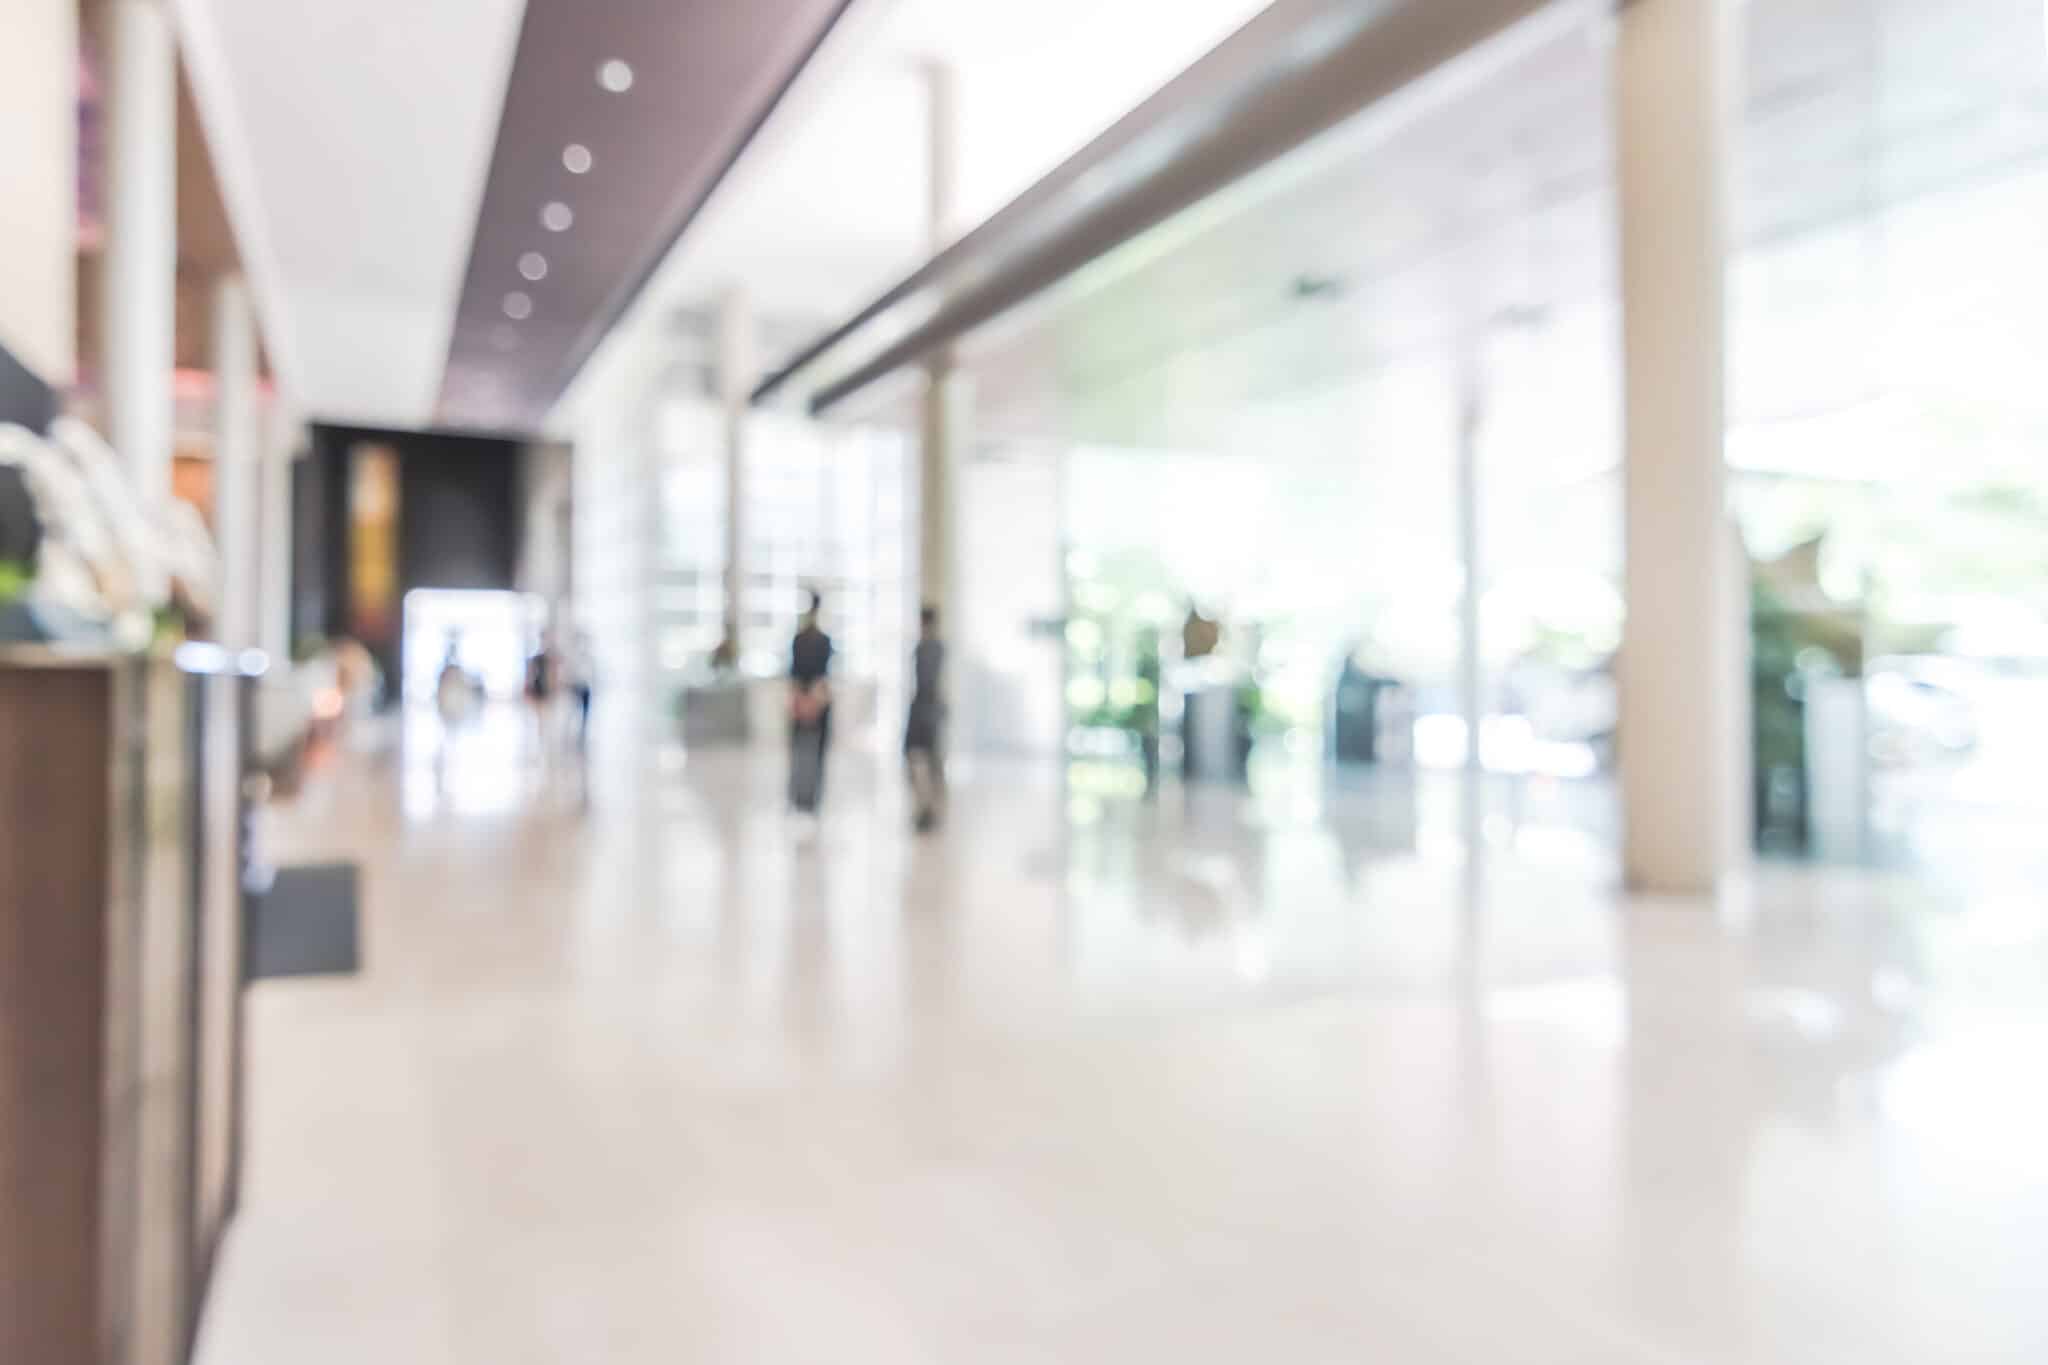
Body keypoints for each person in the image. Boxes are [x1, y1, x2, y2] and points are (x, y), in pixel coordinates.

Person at [788, 590, 833, 815]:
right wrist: (810, 700)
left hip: (812, 699)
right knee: (804, 752)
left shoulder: (806, 639)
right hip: (813, 699)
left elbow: (797, 677)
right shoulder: (815, 640)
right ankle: (803, 797)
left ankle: (804, 798)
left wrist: (807, 699)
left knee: (804, 751)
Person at [904, 604, 947, 832]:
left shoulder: (932, 648)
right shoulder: (925, 646)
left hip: (927, 709)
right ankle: (924, 806)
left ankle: (929, 808)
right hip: (923, 707)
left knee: (930, 762)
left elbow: (929, 681)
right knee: (918, 759)